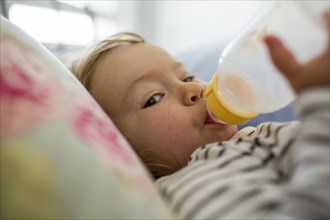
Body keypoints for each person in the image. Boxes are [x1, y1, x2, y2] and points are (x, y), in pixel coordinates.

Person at [72, 11, 329, 219]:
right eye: (153, 97)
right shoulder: (191, 185)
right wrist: (318, 99)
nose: (193, 89)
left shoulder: (258, 135)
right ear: (124, 150)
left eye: (187, 76)